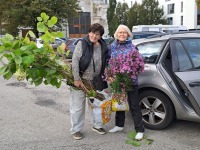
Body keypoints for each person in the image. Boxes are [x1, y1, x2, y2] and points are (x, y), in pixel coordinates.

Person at [70, 23, 109, 140]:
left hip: (96, 80)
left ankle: (97, 125)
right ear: (89, 32)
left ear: (101, 36)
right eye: (92, 33)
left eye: (97, 34)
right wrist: (76, 78)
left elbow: (105, 62)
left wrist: (107, 75)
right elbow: (75, 61)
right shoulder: (82, 43)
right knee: (77, 106)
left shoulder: (103, 46)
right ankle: (76, 129)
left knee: (96, 105)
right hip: (81, 80)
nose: (94, 36)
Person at [108, 24, 145, 140]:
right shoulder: (112, 47)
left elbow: (139, 63)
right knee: (119, 104)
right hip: (117, 80)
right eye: (120, 32)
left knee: (134, 105)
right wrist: (110, 75)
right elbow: (107, 63)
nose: (122, 34)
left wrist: (132, 72)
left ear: (128, 34)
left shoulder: (133, 47)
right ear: (116, 34)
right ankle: (119, 125)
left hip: (131, 81)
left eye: (124, 32)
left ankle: (140, 130)